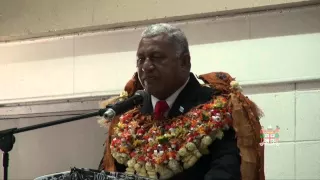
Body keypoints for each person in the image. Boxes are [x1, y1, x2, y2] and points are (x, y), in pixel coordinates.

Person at [98, 23, 265, 180]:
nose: (146, 66)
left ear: (185, 62)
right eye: (141, 59)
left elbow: (226, 174)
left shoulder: (220, 110)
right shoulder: (127, 117)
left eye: (156, 57)